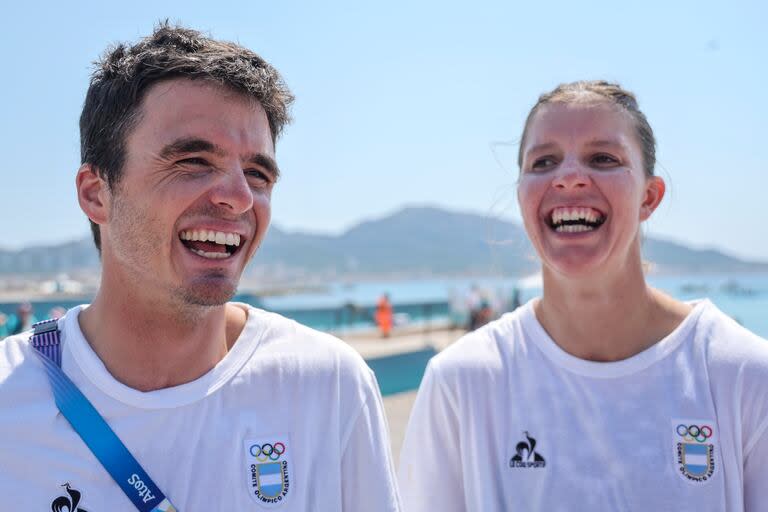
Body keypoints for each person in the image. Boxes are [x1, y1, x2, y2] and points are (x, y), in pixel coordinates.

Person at [0, 24, 401, 511]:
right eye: (192, 161)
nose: (238, 197)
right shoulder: (10, 399)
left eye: (257, 173)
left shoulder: (328, 386)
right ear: (96, 193)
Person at [398, 81, 768, 510]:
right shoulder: (462, 382)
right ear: (521, 195)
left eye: (603, 158)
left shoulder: (744, 376)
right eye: (544, 161)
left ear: (649, 197)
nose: (570, 177)